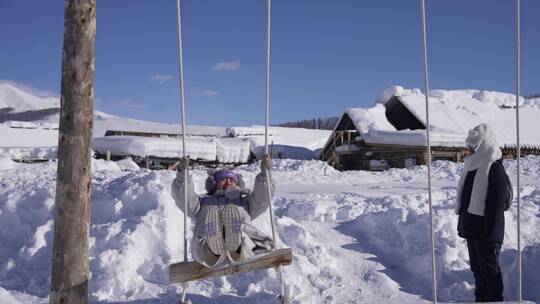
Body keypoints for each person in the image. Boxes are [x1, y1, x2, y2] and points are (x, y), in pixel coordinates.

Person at [171, 155, 276, 267]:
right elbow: (185, 200)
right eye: (223, 179)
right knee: (206, 239)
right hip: (207, 247)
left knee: (242, 234)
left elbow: (262, 199)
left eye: (232, 179)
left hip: (243, 242)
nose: (228, 181)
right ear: (214, 183)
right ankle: (214, 248)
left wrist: (265, 176)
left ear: (237, 183)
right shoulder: (202, 203)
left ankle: (236, 246)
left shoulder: (245, 202)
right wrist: (182, 177)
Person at [455, 123, 511, 302]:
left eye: (473, 147)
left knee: (490, 271)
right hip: (473, 229)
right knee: (477, 269)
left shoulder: (494, 168)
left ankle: (494, 300)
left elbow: (495, 205)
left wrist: (489, 234)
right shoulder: (472, 167)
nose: (469, 151)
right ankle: (481, 299)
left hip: (487, 232)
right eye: (469, 147)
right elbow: (466, 199)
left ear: (484, 146)